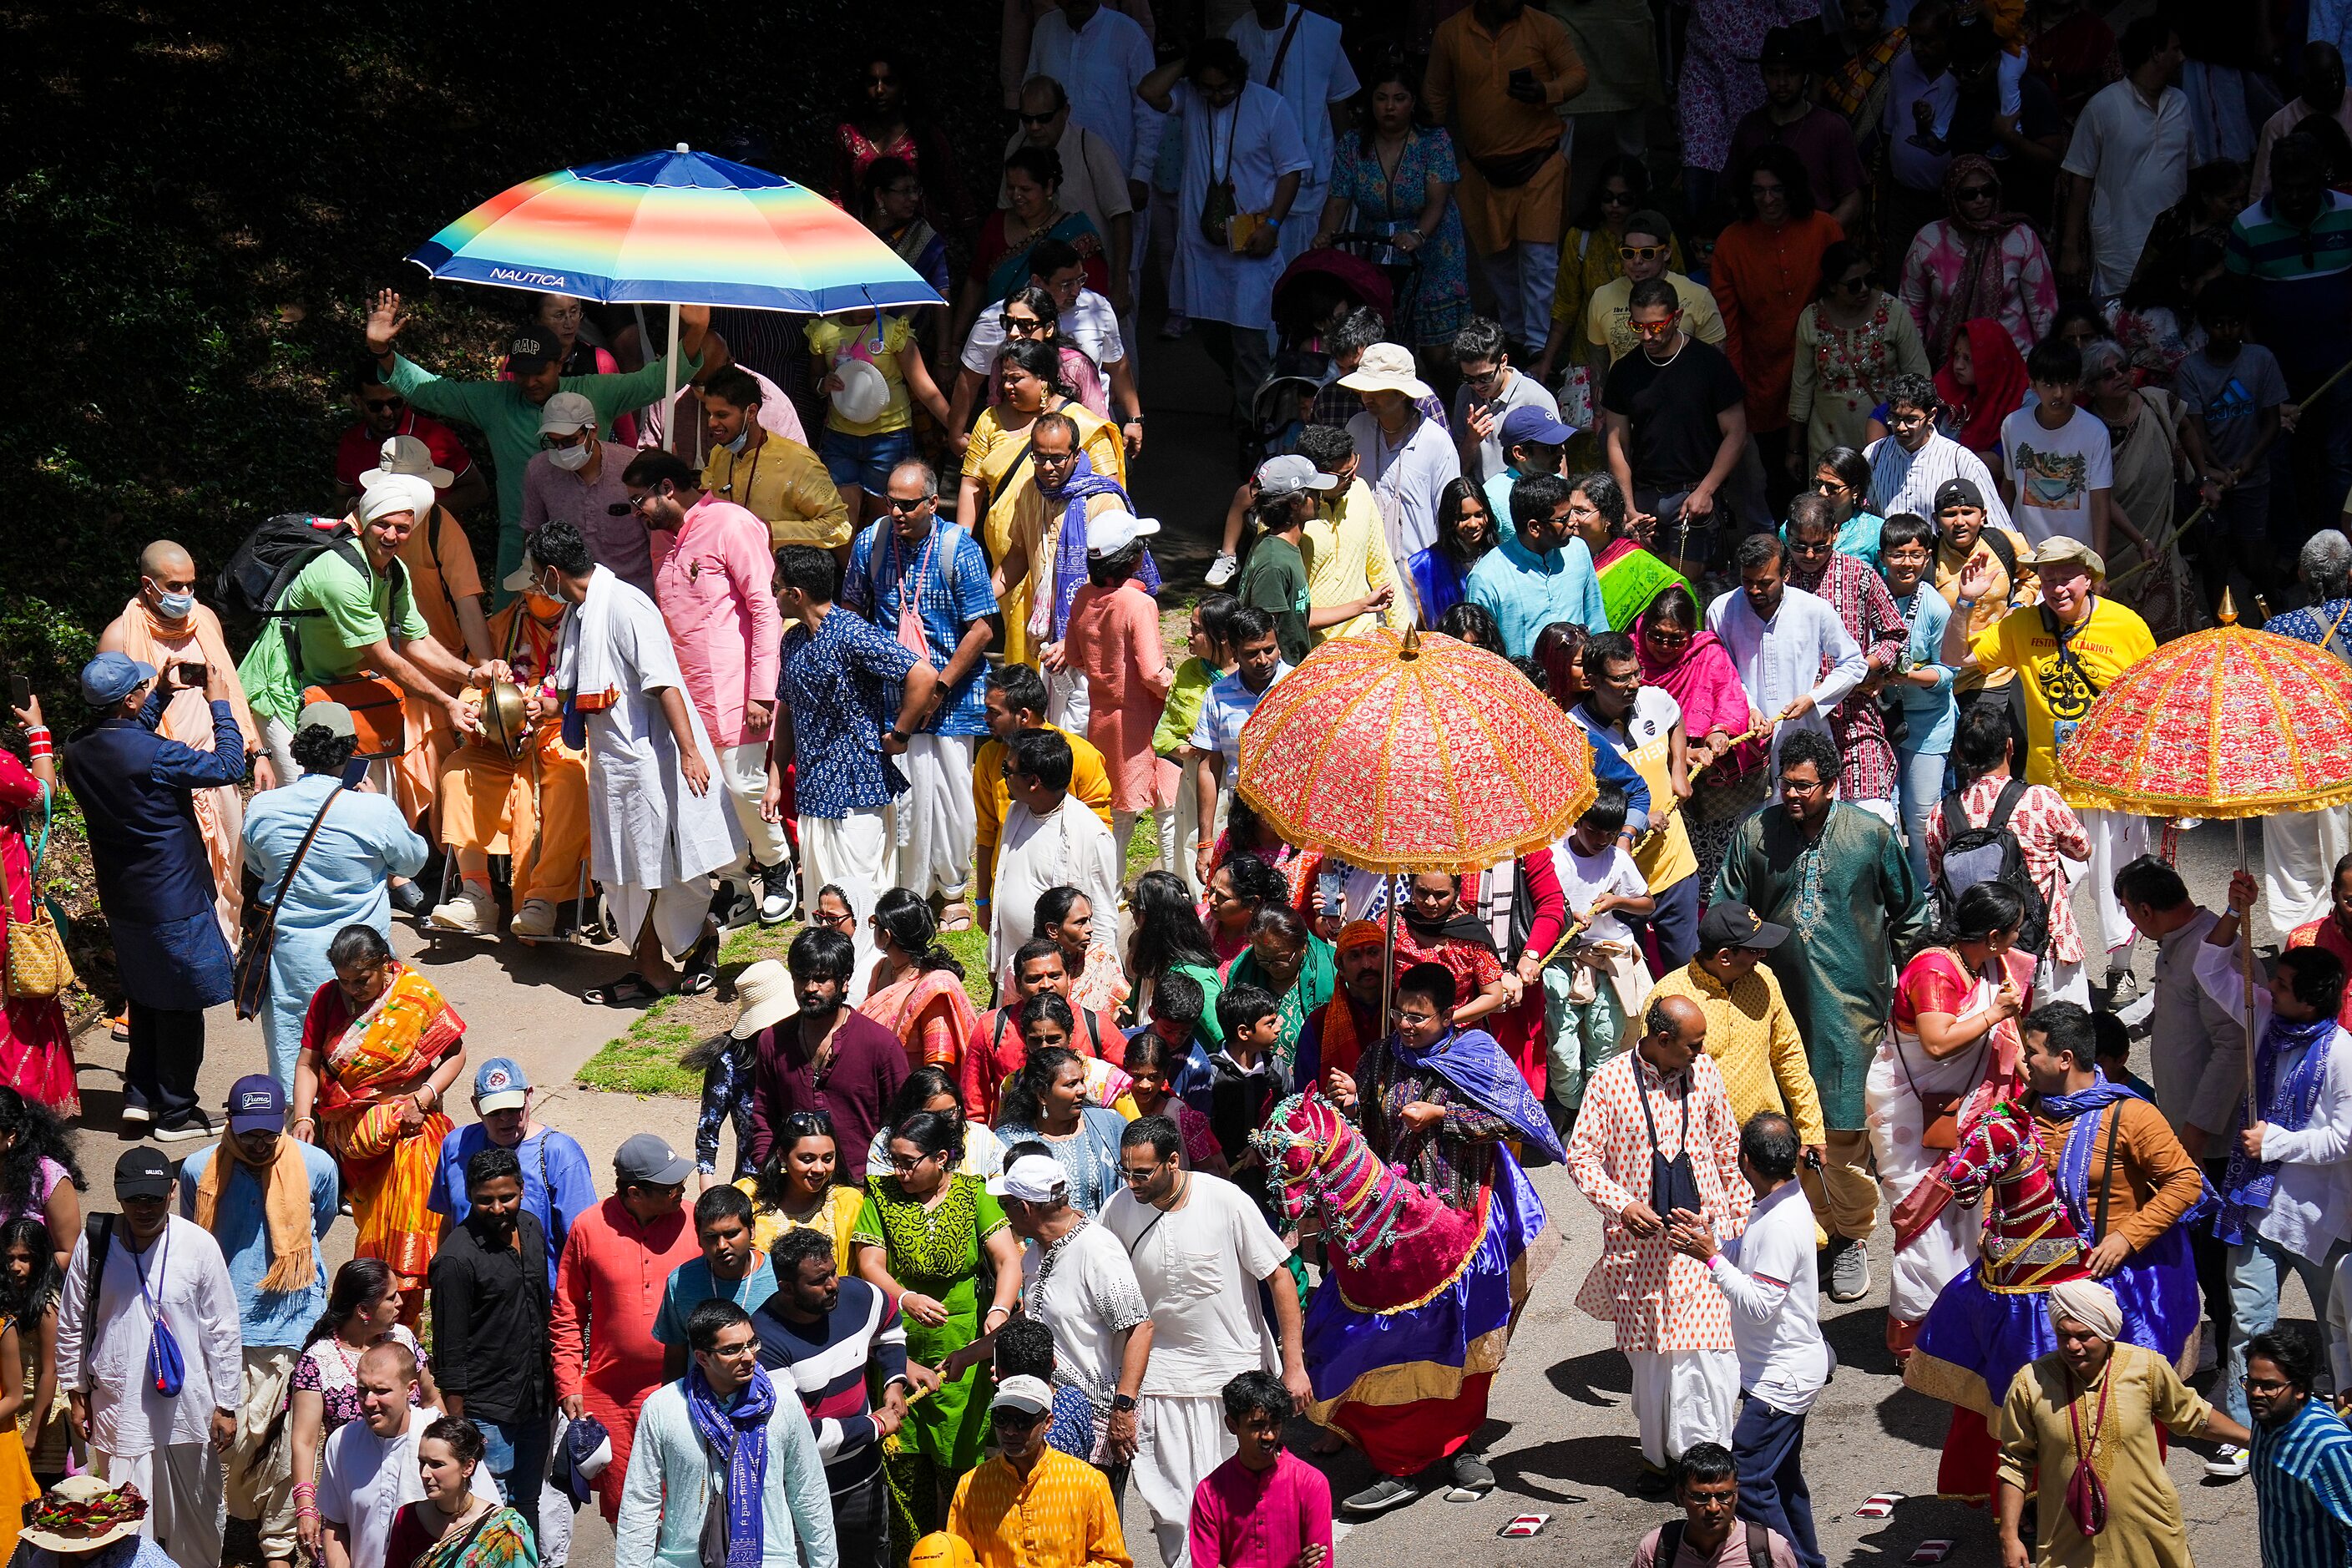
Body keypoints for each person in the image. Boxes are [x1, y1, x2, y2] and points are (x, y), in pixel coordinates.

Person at [1716, 727, 1930, 1301]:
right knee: (1779, 1127)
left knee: (1840, 1135)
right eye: (1785, 784)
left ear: (1831, 785)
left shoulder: (1869, 835)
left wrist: (1908, 999)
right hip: (1771, 1008)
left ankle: (1852, 1237)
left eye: (1804, 787)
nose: (1792, 795)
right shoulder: (1756, 834)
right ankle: (1808, 1235)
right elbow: (1726, 910)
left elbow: (1910, 915)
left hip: (1848, 1012)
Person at [362, 288, 710, 590]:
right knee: (512, 636)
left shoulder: (594, 392)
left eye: (539, 372)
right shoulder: (498, 401)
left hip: (588, 541)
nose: (529, 383)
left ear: (559, 363)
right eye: (521, 374)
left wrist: (696, 329)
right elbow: (436, 392)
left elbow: (657, 381)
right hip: (519, 542)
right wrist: (382, 352)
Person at [532, 520, 736, 1007]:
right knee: (621, 874)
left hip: (649, 764)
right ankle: (652, 969)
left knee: (656, 870)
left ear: (554, 574)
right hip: (610, 765)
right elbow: (587, 689)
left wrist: (689, 752)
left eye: (539, 575)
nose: (539, 585)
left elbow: (663, 681)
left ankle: (694, 943)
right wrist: (549, 708)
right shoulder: (579, 616)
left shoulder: (624, 605)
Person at [1940, 535, 2157, 988]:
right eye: (2049, 578)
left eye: (2067, 578)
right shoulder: (2021, 626)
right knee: (2042, 885)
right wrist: (1965, 602)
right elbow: (1955, 658)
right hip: (2049, 785)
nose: (2058, 588)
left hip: (2113, 781)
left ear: (2090, 579)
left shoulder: (2127, 626)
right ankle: (2038, 971)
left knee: (2120, 879)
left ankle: (2121, 970)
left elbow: (2154, 699)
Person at [2196, 869, 2352, 1478]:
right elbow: (2213, 971)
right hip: (2256, 1206)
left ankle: (2339, 1420)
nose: (2270, 986)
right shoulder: (2264, 1022)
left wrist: (2276, 1141)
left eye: (2281, 984)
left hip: (2321, 1216)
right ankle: (2243, 1430)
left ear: (2310, 1000)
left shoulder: (2341, 1054)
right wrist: (2237, 911)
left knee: (2338, 1328)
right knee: (2247, 1323)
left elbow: (2345, 1137)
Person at [1103, 1120, 1308, 1568]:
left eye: (1143, 1173)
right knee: (1173, 1511)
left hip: (1231, 1382)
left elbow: (1279, 1276)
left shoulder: (1226, 1200)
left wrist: (1294, 1365)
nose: (1132, 1183)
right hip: (1159, 1385)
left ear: (1173, 1162)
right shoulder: (1118, 1209)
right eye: (1126, 1172)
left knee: (1242, 1507)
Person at [1566, 996, 1748, 1493]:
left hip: (1702, 1245)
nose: (1702, 1051)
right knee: (1652, 1365)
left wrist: (1738, 1226)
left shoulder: (1705, 1072)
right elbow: (1581, 1158)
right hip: (1640, 1252)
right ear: (1663, 1041)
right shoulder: (1608, 1083)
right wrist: (1621, 1205)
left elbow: (1727, 1149)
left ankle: (1707, 1467)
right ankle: (1658, 1458)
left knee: (1705, 1358)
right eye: (1694, 1044)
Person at [62, 653, 245, 1139]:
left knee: (143, 998)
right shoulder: (158, 755)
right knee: (182, 1006)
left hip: (124, 898)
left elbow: (126, 738)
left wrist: (161, 691)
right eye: (142, 686)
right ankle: (178, 1112)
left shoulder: (77, 749)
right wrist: (220, 705)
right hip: (174, 896)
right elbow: (228, 765)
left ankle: (140, 1098)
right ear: (127, 699)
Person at [230, 477, 489, 799]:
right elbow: (384, 656)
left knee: (371, 798)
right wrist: (447, 701)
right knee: (310, 803)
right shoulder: (340, 576)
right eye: (383, 524)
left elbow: (415, 640)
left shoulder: (395, 572)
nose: (392, 535)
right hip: (284, 693)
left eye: (402, 528)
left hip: (341, 692)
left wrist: (471, 674)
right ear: (365, 523)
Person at [624, 451, 794, 932]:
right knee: (703, 794)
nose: (636, 512)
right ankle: (736, 886)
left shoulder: (730, 523)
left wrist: (763, 689)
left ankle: (778, 867)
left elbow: (765, 609)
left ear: (667, 488)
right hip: (686, 690)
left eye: (639, 500)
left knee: (744, 786)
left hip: (738, 688)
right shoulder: (662, 540)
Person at [179, 1075, 339, 1568]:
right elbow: (192, 1239)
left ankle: (279, 1549)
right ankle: (230, 1534)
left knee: (291, 1448)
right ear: (228, 1120)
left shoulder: (317, 1166)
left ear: (284, 1122)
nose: (258, 1142)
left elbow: (323, 1221)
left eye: (268, 1132)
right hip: (221, 1330)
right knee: (228, 1443)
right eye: (247, 1132)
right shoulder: (196, 1170)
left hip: (294, 1327)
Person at [57, 1147, 242, 1567]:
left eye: (153, 1198)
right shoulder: (95, 1244)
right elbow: (73, 1321)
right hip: (119, 1405)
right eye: (134, 1198)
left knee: (197, 1515)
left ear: (172, 1193)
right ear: (119, 1196)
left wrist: (226, 1403)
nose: (144, 1208)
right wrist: (75, 1390)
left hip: (188, 1407)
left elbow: (223, 1330)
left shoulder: (198, 1246)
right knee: (124, 1521)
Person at [1667, 1113, 1829, 1568]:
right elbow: (1751, 1259)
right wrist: (1712, 1242)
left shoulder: (1781, 1221)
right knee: (1784, 1479)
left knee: (1752, 1480)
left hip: (1783, 1380)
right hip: (1782, 1372)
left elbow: (1759, 1304)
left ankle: (1788, 1562)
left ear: (1745, 1162)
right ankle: (1809, 1562)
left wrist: (1712, 1259)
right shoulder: (1779, 1201)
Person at [1871, 883, 2031, 1343]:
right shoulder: (1935, 970)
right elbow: (1938, 1043)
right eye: (2016, 932)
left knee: (1964, 1211)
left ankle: (1959, 1320)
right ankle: (1916, 1337)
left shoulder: (1982, 964)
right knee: (1923, 1221)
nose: (2019, 941)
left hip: (1963, 1106)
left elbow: (2003, 1042)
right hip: (1914, 1108)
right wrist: (1996, 1012)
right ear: (1995, 934)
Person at [1993, 1278, 2248, 1566]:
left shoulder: (2146, 1368)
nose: (2072, 1346)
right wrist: (2009, 1537)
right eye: (2063, 1336)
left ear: (2106, 1333)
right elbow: (2015, 1463)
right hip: (2067, 1537)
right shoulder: (2030, 1383)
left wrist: (2255, 1440)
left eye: (2084, 1336)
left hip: (2149, 1531)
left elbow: (2195, 1417)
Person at [851, 1111, 1023, 1533]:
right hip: (899, 1345)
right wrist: (904, 1296)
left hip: (961, 1348)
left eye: (908, 1161)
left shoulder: (972, 1194)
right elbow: (868, 1262)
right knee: (905, 1468)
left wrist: (999, 1311)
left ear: (941, 1157)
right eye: (894, 1159)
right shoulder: (881, 1196)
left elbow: (1007, 1260)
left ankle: (963, 1552)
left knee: (961, 1467)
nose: (899, 1170)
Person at [243, 705, 429, 1093]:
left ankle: (302, 1137)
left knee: (295, 1057)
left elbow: (258, 867)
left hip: (290, 959)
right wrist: (383, 805)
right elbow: (412, 860)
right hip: (362, 961)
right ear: (349, 751)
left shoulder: (263, 806)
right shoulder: (373, 810)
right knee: (367, 1061)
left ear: (297, 749)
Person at [844, 465, 999, 926]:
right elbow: (851, 607)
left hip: (953, 698)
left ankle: (951, 889)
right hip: (891, 697)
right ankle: (905, 890)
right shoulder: (871, 542)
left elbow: (983, 628)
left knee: (952, 800)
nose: (896, 511)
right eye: (891, 501)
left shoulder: (959, 549)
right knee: (902, 799)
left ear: (933, 503)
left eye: (907, 504)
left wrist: (940, 686)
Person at [289, 924, 465, 1315]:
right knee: (372, 1226)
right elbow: (307, 1063)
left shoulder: (416, 996)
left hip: (410, 1133)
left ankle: (403, 1323)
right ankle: (381, 1327)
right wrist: (303, 1116)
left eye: (362, 979)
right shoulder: (326, 999)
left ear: (385, 964)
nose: (352, 989)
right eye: (344, 980)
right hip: (352, 1147)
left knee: (401, 1231)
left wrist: (424, 1097)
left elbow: (455, 1054)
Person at [1137, 40, 1311, 427]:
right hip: (1203, 248)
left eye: (1224, 88)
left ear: (1240, 77)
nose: (1216, 96)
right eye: (1208, 87)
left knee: (1249, 342)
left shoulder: (1270, 106)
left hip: (1252, 244)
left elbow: (1292, 170)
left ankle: (1257, 433)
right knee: (1209, 332)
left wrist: (1273, 225)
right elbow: (1149, 91)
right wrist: (1190, 61)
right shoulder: (1191, 98)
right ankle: (1257, 395)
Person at [96, 540, 263, 936]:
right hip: (161, 776)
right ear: (147, 585)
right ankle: (197, 955)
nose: (186, 595)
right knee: (185, 875)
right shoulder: (119, 636)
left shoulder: (204, 618)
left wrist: (258, 751)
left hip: (217, 765)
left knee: (230, 869)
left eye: (191, 584)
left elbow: (231, 688)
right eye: (174, 586)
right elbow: (116, 723)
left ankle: (228, 947)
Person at [425, 558, 593, 943]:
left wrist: (555, 707)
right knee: (457, 769)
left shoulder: (589, 625)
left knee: (571, 779)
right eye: (526, 591)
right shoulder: (502, 625)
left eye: (536, 590)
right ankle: (476, 894)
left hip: (560, 738)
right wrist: (475, 709)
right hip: (501, 743)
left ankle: (544, 900)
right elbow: (475, 678)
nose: (529, 597)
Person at [613, 1297, 837, 1568]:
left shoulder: (783, 1404)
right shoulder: (662, 1408)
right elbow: (641, 1501)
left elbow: (809, 1492)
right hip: (683, 1561)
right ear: (702, 1357)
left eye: (752, 1343)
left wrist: (825, 1564)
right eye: (732, 1350)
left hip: (771, 1560)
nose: (748, 1356)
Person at [1423, 0, 1588, 357]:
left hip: (1540, 162)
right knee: (1494, 258)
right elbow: (1435, 92)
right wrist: (1427, 148)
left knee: (1538, 259)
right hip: (1482, 170)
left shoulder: (1543, 26)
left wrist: (1545, 91)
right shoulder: (1452, 33)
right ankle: (1514, 333)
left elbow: (1577, 74)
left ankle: (1541, 347)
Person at [551, 1135, 700, 1525]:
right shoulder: (588, 1228)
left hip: (685, 1392)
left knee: (685, 1505)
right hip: (611, 1399)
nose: (681, 1191)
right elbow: (568, 1313)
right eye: (670, 1187)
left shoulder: (695, 1222)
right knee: (626, 1509)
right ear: (635, 1193)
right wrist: (569, 1382)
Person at [751, 1228, 908, 1568]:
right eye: (819, 1280)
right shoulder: (763, 1343)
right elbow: (801, 1437)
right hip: (802, 1497)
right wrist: (875, 1426)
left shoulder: (856, 1296)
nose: (833, 1284)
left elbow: (890, 1325)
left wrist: (894, 1381)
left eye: (833, 1272)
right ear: (787, 1288)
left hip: (865, 1480)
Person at [1649, 902, 1827, 1191]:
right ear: (1725, 956)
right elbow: (1653, 1082)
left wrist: (1811, 1128)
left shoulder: (1765, 980)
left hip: (1766, 1146)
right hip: (1701, 1150)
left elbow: (1789, 1056)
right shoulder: (1671, 996)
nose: (1763, 955)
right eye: (1754, 950)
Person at [993, 1153, 1152, 1470]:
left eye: (1005, 1206)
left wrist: (1123, 1409)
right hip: (1047, 1410)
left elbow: (1140, 1329)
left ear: (1024, 1208)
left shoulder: (1096, 1251)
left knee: (1090, 1515)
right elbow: (1030, 1322)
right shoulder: (1036, 1252)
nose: (1005, 1217)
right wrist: (966, 1356)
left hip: (1096, 1422)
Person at [1927, 706, 2092, 1004]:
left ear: (1961, 755)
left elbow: (1937, 876)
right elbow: (2082, 850)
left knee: (2002, 1046)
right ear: (2010, 746)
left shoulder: (1942, 813)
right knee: (2065, 1038)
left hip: (1980, 956)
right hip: (2047, 944)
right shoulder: (2040, 799)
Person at [427, 1146, 554, 1520]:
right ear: (468, 1195)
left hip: (536, 1400)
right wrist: (460, 1427)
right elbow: (449, 1352)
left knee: (528, 1503)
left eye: (507, 1197)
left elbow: (541, 1310)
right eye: (485, 1200)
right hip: (487, 1411)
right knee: (490, 1509)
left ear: (522, 1189)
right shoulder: (455, 1260)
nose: (498, 1209)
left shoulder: (530, 1227)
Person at [283, 1260, 436, 1568]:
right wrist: (306, 1507)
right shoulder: (319, 1361)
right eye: (391, 1297)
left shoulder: (403, 1341)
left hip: (415, 1483)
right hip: (354, 1494)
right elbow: (304, 1441)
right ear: (364, 1311)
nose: (400, 1303)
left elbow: (432, 1400)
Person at [1712, 147, 1844, 495]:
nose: (1768, 199)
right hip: (1763, 379)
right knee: (1779, 478)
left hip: (1824, 373)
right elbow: (1729, 323)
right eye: (1758, 190)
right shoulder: (1731, 242)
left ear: (1792, 189)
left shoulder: (1824, 228)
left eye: (1777, 189)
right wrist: (1735, 385)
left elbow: (1844, 295)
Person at [1316, 62, 1473, 356]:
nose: (1389, 107)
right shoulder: (1352, 144)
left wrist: (1418, 235)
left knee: (1438, 353)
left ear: (1413, 103)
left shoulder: (1434, 141)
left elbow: (1437, 201)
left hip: (1433, 249)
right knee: (1382, 348)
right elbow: (1337, 201)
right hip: (1376, 249)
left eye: (1399, 99)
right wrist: (1325, 235)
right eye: (1381, 98)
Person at [1603, 278, 1755, 575]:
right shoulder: (1624, 371)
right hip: (1645, 497)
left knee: (1684, 591)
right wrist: (1628, 506)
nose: (1647, 336)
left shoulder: (1708, 363)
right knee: (1651, 591)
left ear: (1678, 318)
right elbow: (1617, 442)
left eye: (1657, 326)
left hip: (1693, 493)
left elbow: (1736, 434)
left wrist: (1707, 490)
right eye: (1638, 327)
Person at [742, 929, 911, 1185]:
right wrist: (769, 1172)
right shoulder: (772, 1042)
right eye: (801, 978)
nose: (810, 988)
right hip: (793, 1190)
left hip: (864, 1190)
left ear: (844, 982)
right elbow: (765, 1118)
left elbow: (903, 1123)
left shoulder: (880, 1045)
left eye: (821, 980)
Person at [314, 1343, 499, 1568]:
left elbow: (487, 1520)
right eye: (363, 1389)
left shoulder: (440, 1437)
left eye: (382, 1391)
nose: (369, 1401)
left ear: (411, 1389)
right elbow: (336, 1524)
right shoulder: (342, 1441)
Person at [1780, 498, 1907, 822]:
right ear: (1787, 535)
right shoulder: (1778, 581)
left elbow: (1894, 632)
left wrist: (1867, 668)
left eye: (1819, 547)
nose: (1809, 555)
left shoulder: (1859, 575)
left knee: (1869, 817)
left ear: (1835, 533)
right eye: (1800, 546)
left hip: (1854, 717)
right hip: (1797, 721)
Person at [1704, 535, 1868, 784]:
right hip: (1746, 745)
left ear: (1786, 574)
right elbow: (1722, 673)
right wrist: (1750, 708)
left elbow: (1854, 663)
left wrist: (1814, 699)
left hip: (1805, 736)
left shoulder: (1814, 609)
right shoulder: (1721, 610)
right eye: (1747, 581)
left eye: (1765, 582)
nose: (1755, 590)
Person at [1064, 509, 1176, 867]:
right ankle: (1182, 886)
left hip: (1104, 721)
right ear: (1135, 558)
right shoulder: (1139, 604)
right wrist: (1178, 688)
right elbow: (1153, 673)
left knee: (1117, 813)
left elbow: (1073, 655)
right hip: (1146, 720)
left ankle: (1107, 892)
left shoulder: (1083, 597)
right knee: (1168, 808)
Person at [427, 1060, 596, 1292]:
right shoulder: (456, 1145)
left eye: (513, 1108)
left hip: (535, 1299)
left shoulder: (559, 1153)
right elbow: (449, 1219)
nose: (505, 1119)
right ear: (476, 1107)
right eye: (495, 1111)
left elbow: (582, 1240)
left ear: (529, 1096)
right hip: (472, 1296)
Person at [2176, 276, 2289, 614]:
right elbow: (2194, 430)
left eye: (2235, 323)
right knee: (2214, 560)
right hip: (2208, 481)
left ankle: (2278, 611)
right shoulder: (2190, 369)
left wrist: (2251, 459)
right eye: (2219, 324)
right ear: (2206, 325)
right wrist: (2214, 471)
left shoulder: (2260, 359)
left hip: (2252, 478)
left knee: (2252, 558)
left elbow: (2271, 421)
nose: (2227, 331)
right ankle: (2218, 632)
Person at [2059, 18, 2192, 301]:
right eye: (2176, 49)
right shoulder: (2102, 106)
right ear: (2156, 52)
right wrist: (2070, 249)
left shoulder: (2181, 103)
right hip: (2121, 251)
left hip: (2176, 250)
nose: (2182, 58)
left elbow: (2193, 169)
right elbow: (2079, 179)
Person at [944, 1371, 1130, 1568]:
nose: (1010, 1431)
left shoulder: (1088, 1482)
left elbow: (1112, 1561)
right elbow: (958, 1558)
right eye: (1001, 1419)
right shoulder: (972, 1486)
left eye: (1023, 1421)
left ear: (1048, 1423)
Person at [989, 729, 1122, 994]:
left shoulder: (1090, 835)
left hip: (1054, 985)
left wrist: (1096, 984)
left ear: (1034, 781)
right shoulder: (1017, 812)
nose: (1003, 779)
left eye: (1008, 769)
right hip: (1015, 974)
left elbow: (1104, 921)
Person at [1899, 157, 2060, 362]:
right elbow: (1911, 309)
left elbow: (2044, 311)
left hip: (2014, 363)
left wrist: (2045, 367)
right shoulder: (1928, 240)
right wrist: (1917, 367)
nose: (1980, 199)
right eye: (1969, 194)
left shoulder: (2020, 237)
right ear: (1952, 197)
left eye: (1988, 190)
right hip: (1949, 366)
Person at [1790, 243, 1930, 470]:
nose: (1865, 289)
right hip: (1827, 440)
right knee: (1832, 503)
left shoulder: (1894, 311)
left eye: (1870, 279)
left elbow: (1920, 377)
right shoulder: (1811, 318)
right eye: (1854, 285)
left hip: (1887, 439)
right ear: (1832, 286)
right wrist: (1794, 449)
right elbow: (1801, 388)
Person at [1878, 513, 1959, 889]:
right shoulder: (1869, 596)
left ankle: (1923, 894)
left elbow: (1947, 673)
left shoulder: (1936, 607)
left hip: (1928, 725)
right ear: (1882, 556)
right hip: (1877, 720)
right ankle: (1890, 890)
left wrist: (1903, 675)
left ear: (1927, 557)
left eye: (1914, 555)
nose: (1905, 563)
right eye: (1897, 554)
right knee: (1881, 815)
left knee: (1921, 816)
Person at [1727, 28, 1868, 235]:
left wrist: (1817, 238)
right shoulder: (1750, 126)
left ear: (1805, 75)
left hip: (1815, 247)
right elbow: (1733, 192)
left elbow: (1853, 199)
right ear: (1763, 75)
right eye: (1774, 73)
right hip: (1760, 244)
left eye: (1791, 73)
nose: (1782, 83)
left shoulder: (1831, 127)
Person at [1186, 1371, 1331, 1568]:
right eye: (1257, 1426)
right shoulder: (1209, 1493)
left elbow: (1321, 1563)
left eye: (1275, 1424)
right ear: (1232, 1425)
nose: (1269, 1436)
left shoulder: (1311, 1483)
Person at [1187, 611, 1288, 889]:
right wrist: (1206, 842)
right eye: (1252, 653)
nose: (1263, 660)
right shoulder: (1217, 696)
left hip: (1295, 831)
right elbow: (1208, 767)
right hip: (1243, 827)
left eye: (1270, 649)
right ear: (1233, 651)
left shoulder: (1300, 688)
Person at [1341, 342, 1464, 567]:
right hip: (1362, 570)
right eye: (1364, 388)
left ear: (1401, 394)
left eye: (1376, 390)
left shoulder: (1436, 442)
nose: (1367, 396)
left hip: (1418, 575)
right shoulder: (1356, 429)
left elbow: (1450, 513)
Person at [521, 393, 656, 596]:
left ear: (593, 431)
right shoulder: (539, 470)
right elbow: (533, 534)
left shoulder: (632, 467)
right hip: (571, 600)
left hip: (635, 594)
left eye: (568, 442)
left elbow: (658, 541)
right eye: (552, 442)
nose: (560, 450)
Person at [1468, 471, 1612, 655]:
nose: (1574, 522)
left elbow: (1596, 621)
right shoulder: (1486, 578)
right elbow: (1481, 655)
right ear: (1535, 528)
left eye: (1573, 513)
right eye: (1564, 519)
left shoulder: (1578, 551)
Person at [2245, 1328, 2352, 1564]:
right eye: (2250, 1382)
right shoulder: (2264, 1418)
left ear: (2301, 1389)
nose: (2255, 1393)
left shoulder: (2327, 1447)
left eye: (2269, 1386)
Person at [654, 1186, 778, 1383]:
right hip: (702, 1405)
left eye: (731, 1234)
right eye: (711, 1237)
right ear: (698, 1237)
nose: (721, 1246)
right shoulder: (681, 1282)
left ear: (752, 1229)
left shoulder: (779, 1275)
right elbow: (675, 1357)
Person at [1865, 374, 2016, 534]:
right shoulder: (1875, 455)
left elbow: (1999, 529)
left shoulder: (1961, 461)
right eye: (1895, 418)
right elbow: (1867, 517)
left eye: (1911, 419)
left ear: (1931, 416)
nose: (1901, 427)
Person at [378, 1419, 536, 1568]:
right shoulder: (408, 1517)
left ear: (468, 1467)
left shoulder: (504, 1528)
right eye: (422, 1462)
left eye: (437, 1464)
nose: (425, 1473)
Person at [1627, 1443, 1803, 1567]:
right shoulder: (1656, 1549)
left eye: (1723, 1495)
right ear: (1681, 1496)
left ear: (1736, 1493)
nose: (1713, 1507)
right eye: (1701, 1497)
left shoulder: (1770, 1551)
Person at [737, 1110, 867, 1267]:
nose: (819, 1168)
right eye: (807, 1159)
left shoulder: (848, 1202)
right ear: (782, 1156)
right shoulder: (748, 1194)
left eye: (827, 1159)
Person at [1451, 316, 1562, 485]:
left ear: (1503, 361)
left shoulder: (1535, 396)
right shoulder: (1465, 395)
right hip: (1483, 504)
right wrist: (1472, 440)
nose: (1477, 386)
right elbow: (1456, 469)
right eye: (1469, 378)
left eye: (1485, 377)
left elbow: (1560, 463)